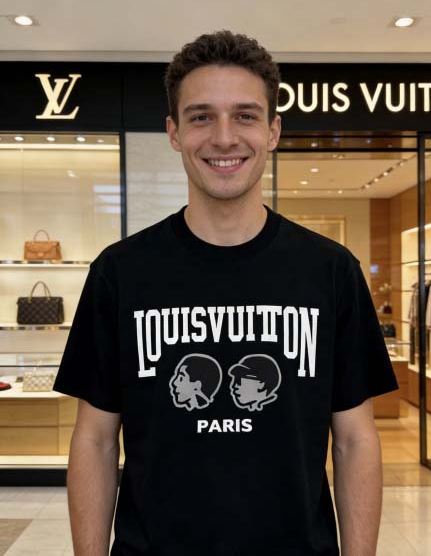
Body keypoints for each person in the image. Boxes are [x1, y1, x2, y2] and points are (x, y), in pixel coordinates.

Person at [54, 30, 398, 556]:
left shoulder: (331, 271)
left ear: (273, 130)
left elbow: (355, 439)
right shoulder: (118, 273)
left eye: (244, 115)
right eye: (201, 117)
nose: (223, 137)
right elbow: (95, 439)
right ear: (173, 132)